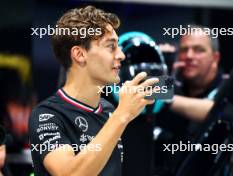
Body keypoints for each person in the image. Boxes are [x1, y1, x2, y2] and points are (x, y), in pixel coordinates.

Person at [29, 5, 158, 176]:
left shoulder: (110, 111)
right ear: (80, 54)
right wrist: (122, 116)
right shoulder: (47, 115)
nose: (121, 55)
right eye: (111, 46)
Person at [169, 24, 227, 124]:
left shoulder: (229, 88)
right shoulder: (175, 82)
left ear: (215, 58)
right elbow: (148, 92)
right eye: (184, 50)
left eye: (199, 50)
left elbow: (217, 113)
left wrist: (165, 99)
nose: (189, 56)